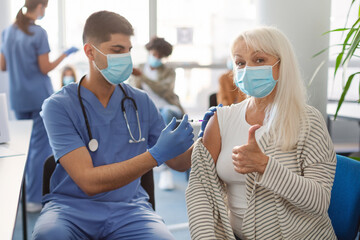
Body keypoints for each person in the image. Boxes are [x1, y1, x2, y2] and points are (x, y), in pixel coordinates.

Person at [32, 11, 194, 240]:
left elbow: (177, 162)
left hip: (129, 209)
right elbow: (88, 181)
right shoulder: (58, 106)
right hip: (70, 210)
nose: (125, 59)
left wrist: (209, 137)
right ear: (90, 52)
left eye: (128, 51)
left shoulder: (140, 102)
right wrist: (155, 155)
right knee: (49, 236)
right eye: (117, 51)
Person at [185, 26, 337, 239]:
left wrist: (265, 166)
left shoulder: (308, 120)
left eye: (259, 60)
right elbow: (201, 190)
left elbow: (319, 202)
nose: (248, 69)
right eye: (240, 62)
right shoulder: (222, 119)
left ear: (282, 65)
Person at [0, 0, 78, 212]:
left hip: (17, 97)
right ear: (41, 7)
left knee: (22, 147)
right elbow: (45, 68)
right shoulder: (38, 32)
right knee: (40, 149)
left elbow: (2, 65)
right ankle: (34, 199)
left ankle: (20, 196)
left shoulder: (7, 32)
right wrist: (65, 54)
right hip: (37, 97)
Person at [130, 36, 184, 190]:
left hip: (167, 105)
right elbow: (132, 90)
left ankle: (165, 167)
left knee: (166, 114)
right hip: (146, 108)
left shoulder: (168, 71)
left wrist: (142, 76)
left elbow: (164, 90)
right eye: (155, 54)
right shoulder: (140, 67)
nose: (156, 58)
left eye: (160, 56)